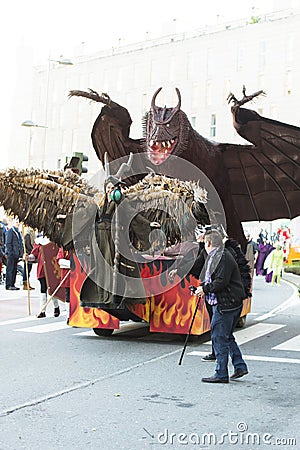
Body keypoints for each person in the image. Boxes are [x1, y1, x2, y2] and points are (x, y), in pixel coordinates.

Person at [195, 229, 248, 383]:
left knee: (219, 337)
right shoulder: (216, 255)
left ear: (209, 243)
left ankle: (221, 373)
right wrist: (203, 287)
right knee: (226, 336)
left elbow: (220, 282)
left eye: (204, 242)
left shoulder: (223, 257)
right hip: (227, 302)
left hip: (226, 304)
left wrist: (204, 289)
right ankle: (239, 366)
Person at [27, 234, 60, 318]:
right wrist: (28, 257)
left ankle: (56, 308)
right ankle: (42, 311)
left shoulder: (53, 242)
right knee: (43, 289)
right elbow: (34, 255)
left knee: (52, 289)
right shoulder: (38, 242)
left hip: (51, 269)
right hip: (42, 269)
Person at [5, 218, 24, 290]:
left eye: (18, 222)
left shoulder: (18, 232)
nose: (18, 223)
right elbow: (8, 243)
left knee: (14, 269)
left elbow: (20, 243)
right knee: (10, 269)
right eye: (16, 222)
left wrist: (20, 253)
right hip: (11, 254)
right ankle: (9, 284)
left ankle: (13, 284)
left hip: (16, 254)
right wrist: (11, 252)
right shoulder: (10, 231)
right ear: (12, 222)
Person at [56, 247, 71, 322]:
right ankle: (69, 316)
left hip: (79, 275)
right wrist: (72, 264)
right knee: (68, 296)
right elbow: (60, 260)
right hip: (68, 275)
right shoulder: (63, 248)